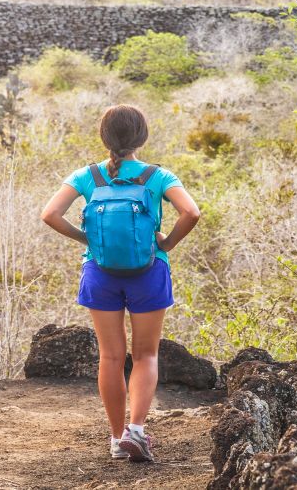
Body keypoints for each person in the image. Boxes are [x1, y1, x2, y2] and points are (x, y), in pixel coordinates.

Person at [40, 104, 201, 463]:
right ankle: (137, 430)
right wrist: (168, 243)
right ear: (142, 137)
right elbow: (191, 212)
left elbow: (49, 214)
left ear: (104, 137)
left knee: (111, 357)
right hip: (149, 272)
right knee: (146, 354)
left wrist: (88, 241)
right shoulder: (158, 176)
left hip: (100, 273)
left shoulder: (87, 175)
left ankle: (116, 439)